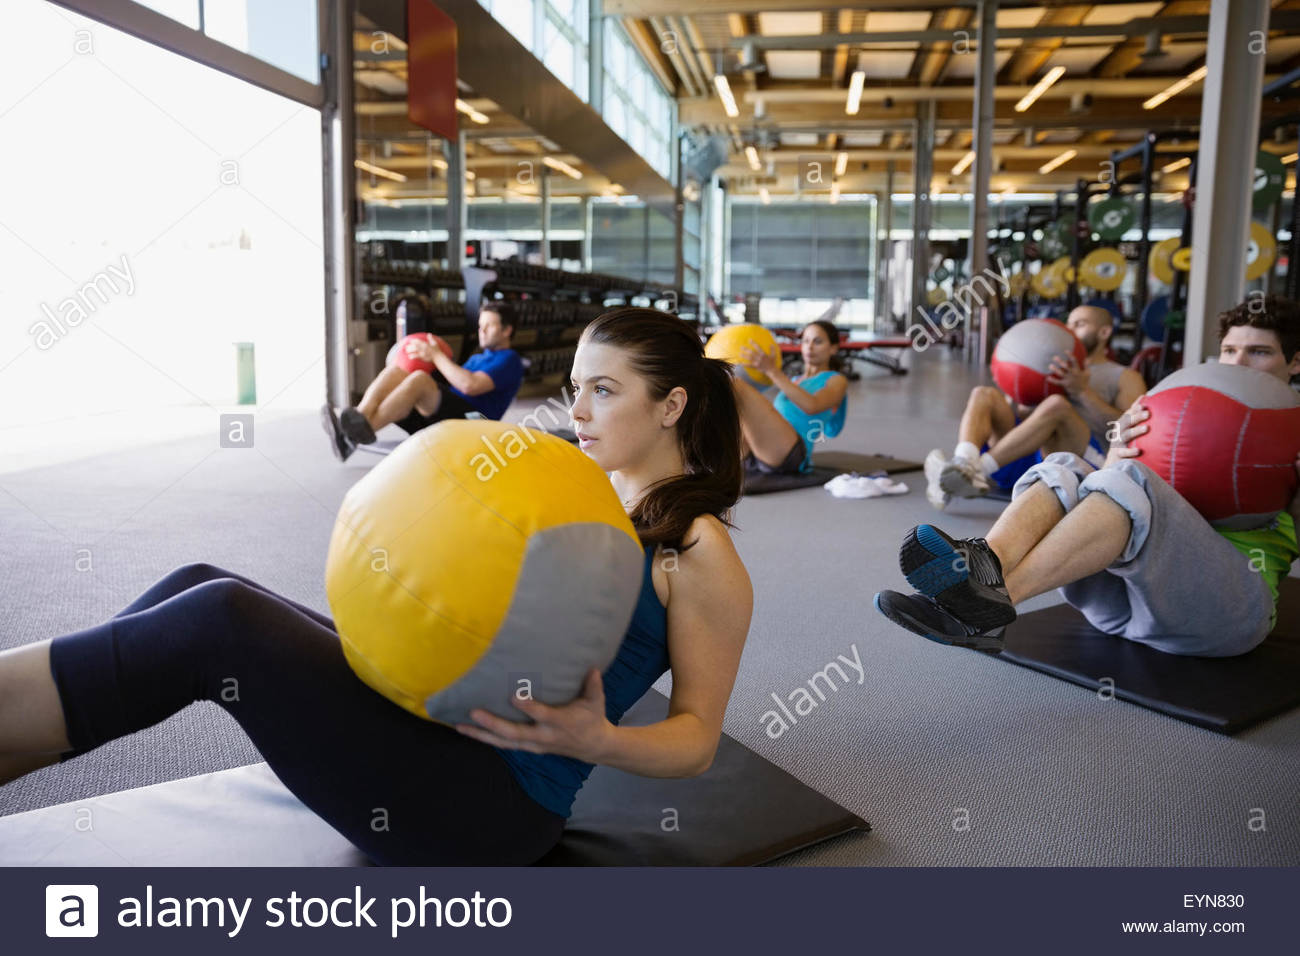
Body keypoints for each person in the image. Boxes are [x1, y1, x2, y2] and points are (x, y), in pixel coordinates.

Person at [0, 307, 753, 866]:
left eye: (604, 391)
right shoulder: (587, 490)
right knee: (203, 580)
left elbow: (696, 740)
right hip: (436, 713)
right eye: (578, 387)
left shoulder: (699, 550)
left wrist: (598, 738)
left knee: (219, 622)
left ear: (672, 405)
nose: (577, 409)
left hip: (488, 803)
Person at [875, 295, 1300, 656]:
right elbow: (1126, 509)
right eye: (1230, 350)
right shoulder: (1185, 404)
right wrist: (1117, 452)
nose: (1238, 362)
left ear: (1295, 362)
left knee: (1129, 477)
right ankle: (988, 568)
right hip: (1122, 604)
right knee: (1066, 465)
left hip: (1223, 614)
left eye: (1259, 352)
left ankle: (982, 604)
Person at [924, 304, 1147, 509]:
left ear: (1104, 333)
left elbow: (1129, 433)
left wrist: (1082, 392)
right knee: (984, 394)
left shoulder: (1125, 376)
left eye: (1079, 324)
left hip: (1078, 462)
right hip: (1020, 454)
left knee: (1057, 404)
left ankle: (968, 472)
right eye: (1068, 323)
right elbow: (1020, 414)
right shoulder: (1046, 361)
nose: (1068, 329)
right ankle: (964, 461)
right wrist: (1012, 383)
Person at [321, 300, 524, 461]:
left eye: (489, 325)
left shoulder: (510, 360)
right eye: (481, 325)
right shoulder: (478, 358)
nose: (482, 330)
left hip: (474, 424)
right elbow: (453, 383)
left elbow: (469, 385)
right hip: (448, 414)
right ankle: (359, 420)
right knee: (398, 372)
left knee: (419, 380)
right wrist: (424, 359)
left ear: (506, 330)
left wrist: (436, 355)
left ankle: (352, 437)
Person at [730, 320, 849, 475]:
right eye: (805, 341)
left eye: (817, 341)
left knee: (736, 386)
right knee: (726, 388)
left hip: (792, 455)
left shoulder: (836, 380)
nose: (810, 347)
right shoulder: (793, 382)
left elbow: (812, 406)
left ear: (833, 348)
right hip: (758, 451)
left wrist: (772, 371)